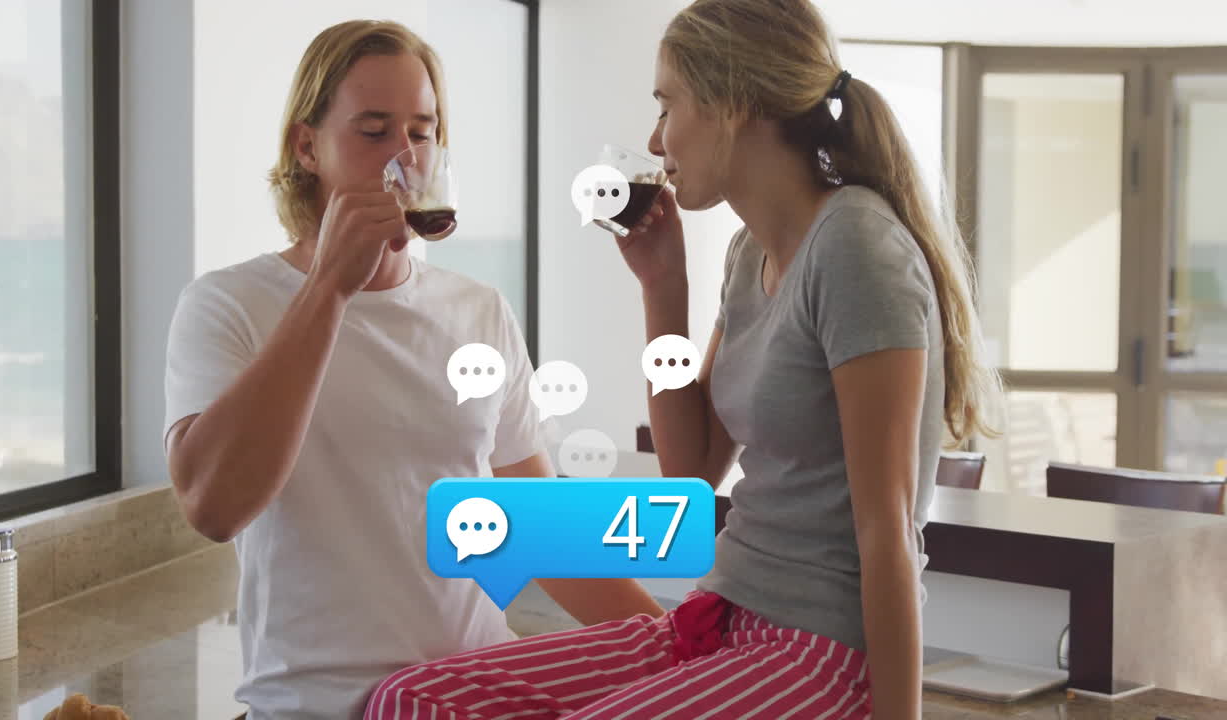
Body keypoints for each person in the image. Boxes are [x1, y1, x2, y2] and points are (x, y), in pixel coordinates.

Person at [368, 0, 1001, 718]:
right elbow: (692, 469)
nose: (655, 137)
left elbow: (886, 529)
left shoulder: (858, 250)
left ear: (733, 104)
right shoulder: (749, 252)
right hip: (722, 618)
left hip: (823, 651)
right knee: (411, 699)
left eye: (667, 105)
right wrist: (663, 288)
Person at [162, 20, 663, 720]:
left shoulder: (477, 310)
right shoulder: (227, 305)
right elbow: (212, 507)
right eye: (373, 131)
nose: (405, 156)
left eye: (422, 132)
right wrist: (330, 287)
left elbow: (532, 524)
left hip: (475, 692)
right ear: (307, 146)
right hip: (316, 706)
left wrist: (677, 643)